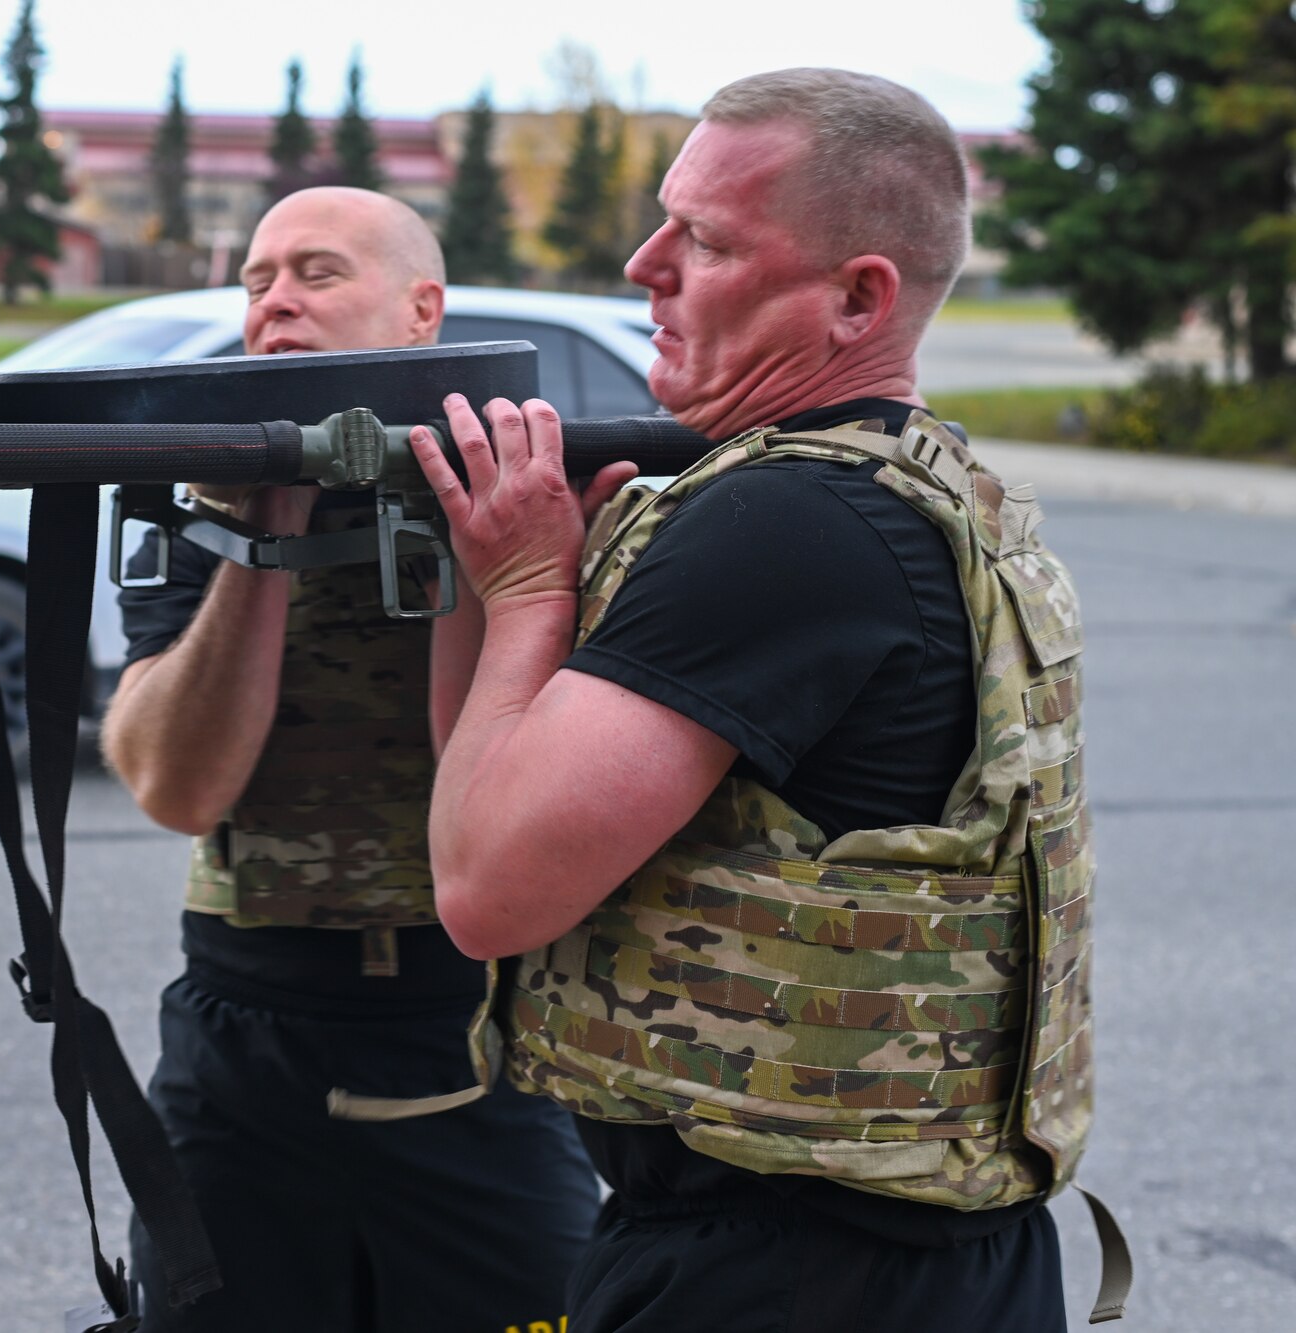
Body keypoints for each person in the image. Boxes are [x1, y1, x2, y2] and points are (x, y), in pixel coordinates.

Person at [407, 70, 1116, 1332]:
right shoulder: (920, 489)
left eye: (707, 240)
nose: (642, 265)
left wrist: (523, 591)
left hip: (787, 1272)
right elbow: (481, 784)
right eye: (662, 220)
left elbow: (483, 887)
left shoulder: (782, 524)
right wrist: (482, 580)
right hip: (890, 1254)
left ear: (857, 298)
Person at [102, 186, 599, 1331]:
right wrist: (258, 540)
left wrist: (462, 535)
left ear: (420, 309)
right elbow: (175, 787)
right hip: (244, 1017)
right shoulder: (202, 498)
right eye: (257, 281)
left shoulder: (522, 498)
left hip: (466, 1028)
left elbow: (474, 773)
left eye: (315, 274)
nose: (274, 301)